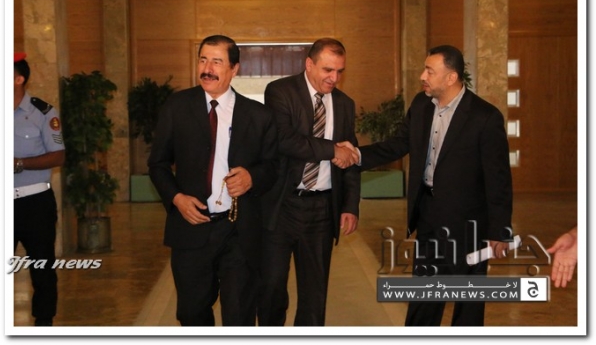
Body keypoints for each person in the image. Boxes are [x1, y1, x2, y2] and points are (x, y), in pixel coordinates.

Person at [338, 45, 513, 326]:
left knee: (468, 303)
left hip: (469, 224)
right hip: (428, 214)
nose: (422, 76)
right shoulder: (421, 105)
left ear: (451, 77)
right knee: (424, 295)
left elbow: (498, 179)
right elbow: (398, 144)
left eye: (430, 71)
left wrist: (500, 230)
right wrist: (358, 155)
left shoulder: (485, 117)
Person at [148, 35, 279, 326]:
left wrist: (252, 177)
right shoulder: (177, 106)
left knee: (239, 315)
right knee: (192, 314)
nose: (207, 68)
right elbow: (157, 164)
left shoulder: (258, 115)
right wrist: (176, 199)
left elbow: (273, 167)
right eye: (203, 60)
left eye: (217, 62)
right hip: (191, 226)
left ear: (234, 69)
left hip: (239, 230)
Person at [257, 38, 360, 326]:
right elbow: (286, 140)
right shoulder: (280, 91)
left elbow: (351, 158)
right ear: (309, 64)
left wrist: (350, 205)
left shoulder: (345, 104)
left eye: (339, 71)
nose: (334, 78)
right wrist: (332, 150)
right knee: (271, 287)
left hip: (322, 209)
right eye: (328, 70)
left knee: (315, 295)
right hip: (282, 206)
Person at [14, 52, 65, 326]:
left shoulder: (43, 113)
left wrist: (19, 163)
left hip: (35, 203)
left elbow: (58, 156)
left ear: (18, 79)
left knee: (42, 270)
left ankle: (43, 328)